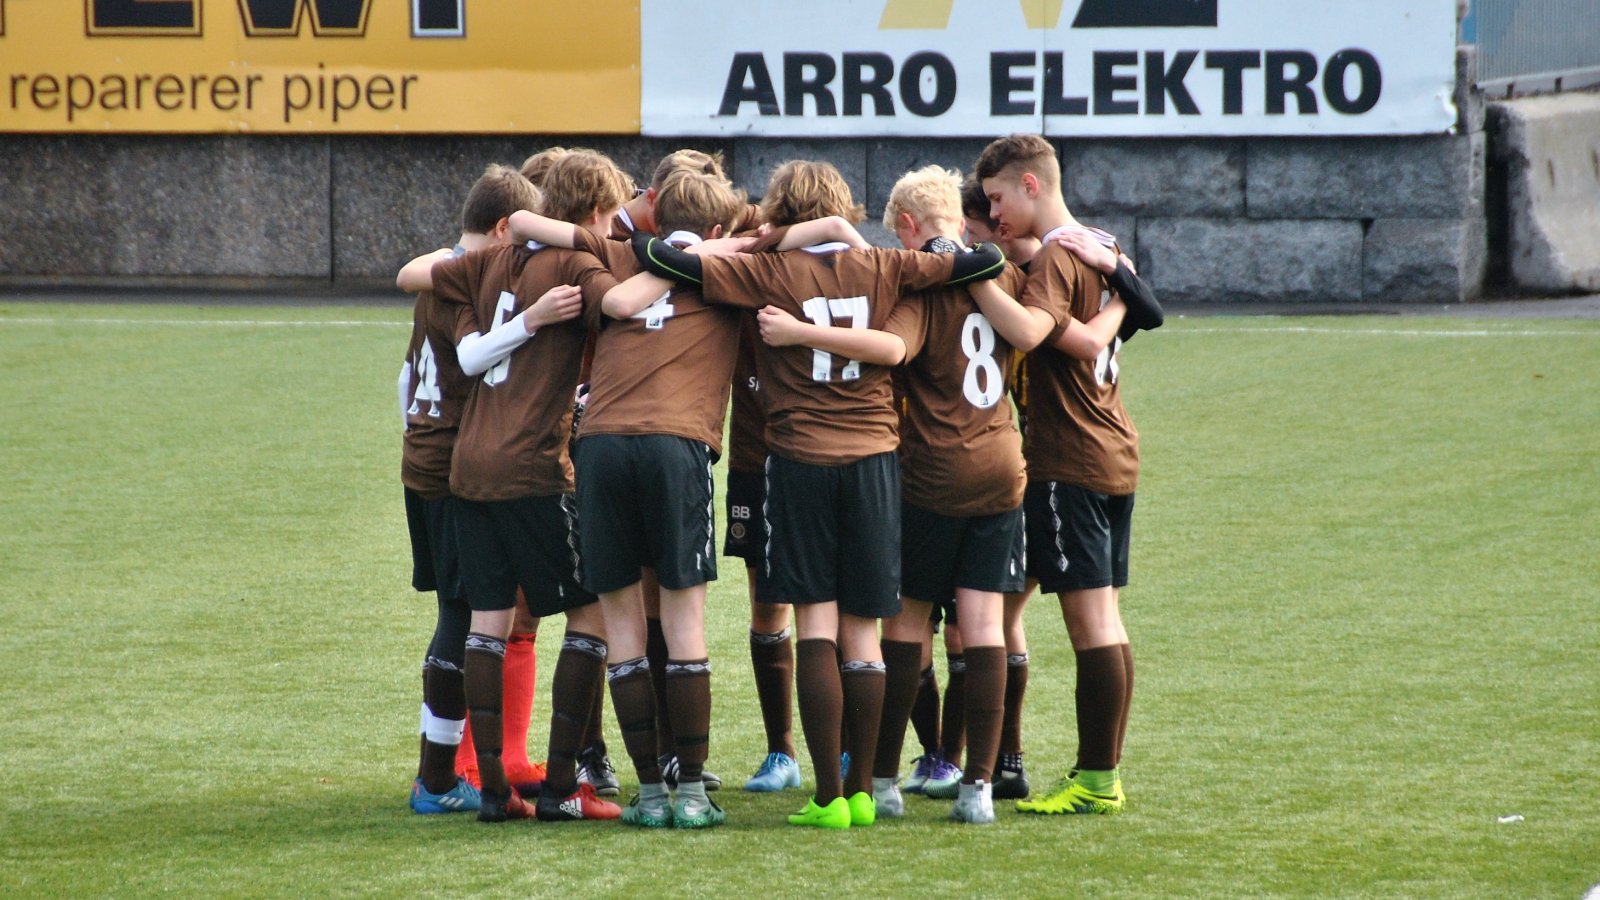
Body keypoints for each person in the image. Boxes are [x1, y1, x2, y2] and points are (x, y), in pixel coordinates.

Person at [625, 159, 1007, 829]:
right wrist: (854, 236)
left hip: (799, 460)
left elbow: (657, 255)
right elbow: (986, 261)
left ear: (779, 210)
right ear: (843, 208)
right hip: (876, 462)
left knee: (816, 627)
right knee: (863, 632)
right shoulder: (886, 265)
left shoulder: (767, 271)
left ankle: (827, 795)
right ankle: (862, 791)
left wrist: (769, 240)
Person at [410, 148, 642, 823]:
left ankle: (493, 790)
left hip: (468, 469)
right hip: (535, 468)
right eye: (609, 215)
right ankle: (565, 787)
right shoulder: (577, 264)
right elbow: (621, 302)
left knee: (488, 619)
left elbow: (415, 274)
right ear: (590, 214)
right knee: (592, 612)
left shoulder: (488, 261)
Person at [973, 133, 1163, 815]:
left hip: (1069, 461)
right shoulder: (1101, 246)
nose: (994, 214)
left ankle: (1096, 779)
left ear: (1031, 184)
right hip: (1115, 450)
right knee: (1105, 620)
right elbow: (1121, 324)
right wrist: (1123, 283)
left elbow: (1041, 333)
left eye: (998, 198)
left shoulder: (1058, 257)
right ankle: (1097, 773)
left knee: (1091, 626)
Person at [402, 164, 539, 815]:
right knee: (461, 616)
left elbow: (407, 378)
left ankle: (438, 772)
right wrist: (533, 319)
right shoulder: (466, 283)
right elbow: (471, 356)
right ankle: (435, 780)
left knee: (454, 614)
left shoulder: (439, 271)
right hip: (451, 470)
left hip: (420, 458)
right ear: (505, 228)